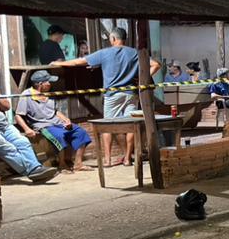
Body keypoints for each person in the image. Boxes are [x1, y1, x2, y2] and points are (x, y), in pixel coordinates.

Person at [52, 26, 158, 167]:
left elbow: (78, 62)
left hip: (112, 95)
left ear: (113, 39)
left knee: (106, 127)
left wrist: (58, 63)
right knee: (131, 126)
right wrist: (142, 79)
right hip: (131, 94)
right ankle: (127, 158)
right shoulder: (134, 53)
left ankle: (107, 160)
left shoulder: (105, 53)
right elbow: (156, 65)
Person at [16, 71, 93, 172]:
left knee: (80, 132)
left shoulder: (50, 93)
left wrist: (66, 119)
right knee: (59, 136)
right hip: (43, 126)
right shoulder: (26, 95)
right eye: (48, 82)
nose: (50, 84)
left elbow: (55, 111)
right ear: (40, 84)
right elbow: (18, 115)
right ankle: (62, 164)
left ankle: (78, 164)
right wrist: (27, 129)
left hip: (57, 123)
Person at [0, 83, 58, 182]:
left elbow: (6, 106)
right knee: (8, 148)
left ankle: (36, 169)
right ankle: (32, 170)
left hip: (4, 125)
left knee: (23, 142)